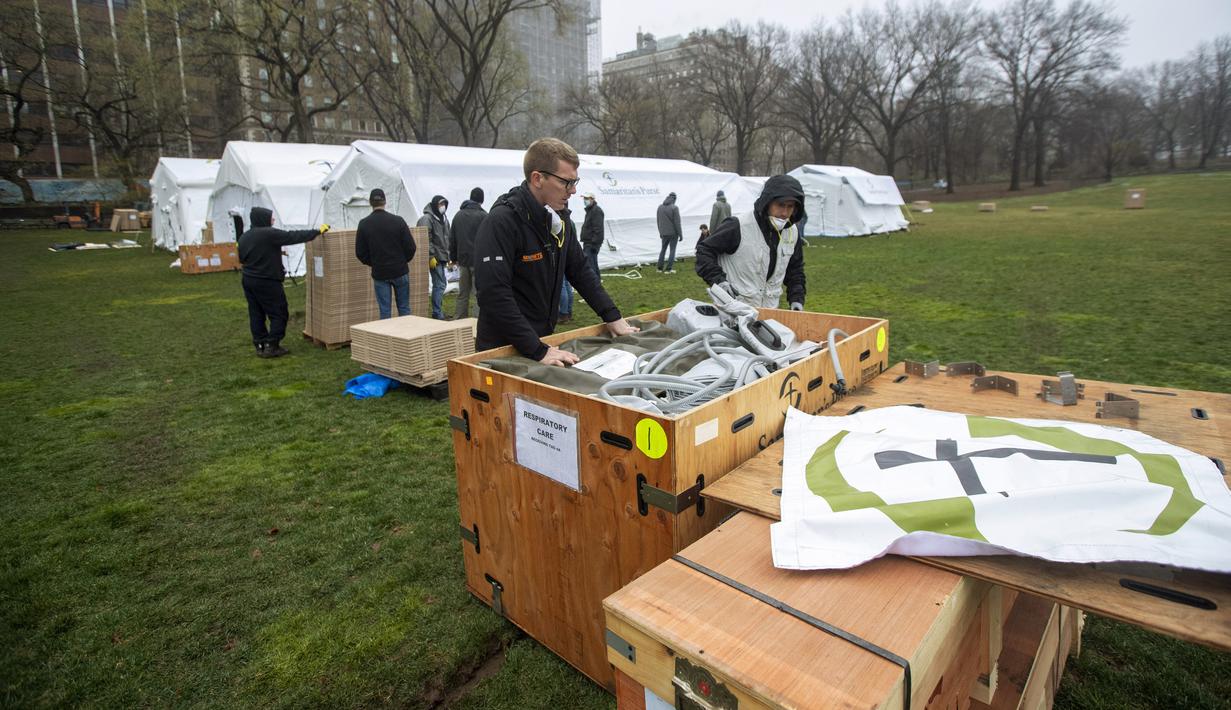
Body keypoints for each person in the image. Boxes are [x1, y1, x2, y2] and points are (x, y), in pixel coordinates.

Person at [474, 137, 638, 366]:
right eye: (566, 182)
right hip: (503, 350)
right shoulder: (502, 222)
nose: (573, 190)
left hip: (541, 343)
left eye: (575, 181)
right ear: (537, 178)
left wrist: (612, 315)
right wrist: (537, 349)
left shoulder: (557, 218)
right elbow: (494, 294)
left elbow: (580, 270)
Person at [695, 174, 807, 311]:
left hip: (769, 312)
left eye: (790, 207)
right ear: (768, 202)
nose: (784, 212)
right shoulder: (738, 226)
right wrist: (719, 281)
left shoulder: (792, 232)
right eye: (780, 205)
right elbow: (704, 250)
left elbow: (795, 270)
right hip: (734, 310)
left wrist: (797, 299)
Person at [237, 207, 329, 357]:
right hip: (267, 281)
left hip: (248, 280)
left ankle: (260, 343)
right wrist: (317, 232)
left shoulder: (244, 237)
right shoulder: (269, 234)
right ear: (263, 219)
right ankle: (272, 344)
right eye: (270, 218)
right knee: (279, 312)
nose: (273, 220)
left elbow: (243, 258)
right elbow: (293, 236)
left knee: (256, 313)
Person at [355, 188, 416, 319]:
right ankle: (406, 336)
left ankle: (388, 338)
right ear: (385, 202)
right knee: (404, 308)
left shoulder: (364, 224)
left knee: (385, 311)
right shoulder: (398, 221)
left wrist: (374, 263)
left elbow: (360, 252)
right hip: (400, 270)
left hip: (380, 272)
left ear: (370, 203)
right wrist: (402, 261)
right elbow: (411, 247)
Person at [450, 187, 486, 319]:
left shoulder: (458, 215)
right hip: (479, 261)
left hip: (463, 260)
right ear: (482, 199)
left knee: (463, 293)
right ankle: (477, 321)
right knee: (479, 294)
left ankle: (459, 320)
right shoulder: (484, 216)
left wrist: (453, 258)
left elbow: (452, 238)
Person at [417, 195, 451, 319]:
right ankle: (437, 312)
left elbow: (448, 237)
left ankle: (438, 310)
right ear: (434, 205)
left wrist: (449, 255)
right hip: (434, 257)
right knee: (440, 284)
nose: (443, 207)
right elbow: (425, 238)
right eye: (440, 204)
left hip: (442, 256)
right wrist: (431, 255)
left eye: (444, 204)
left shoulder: (443, 218)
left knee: (440, 284)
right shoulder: (427, 219)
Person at [656, 192, 682, 273]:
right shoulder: (674, 208)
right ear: (674, 199)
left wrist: (660, 232)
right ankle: (668, 269)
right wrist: (681, 234)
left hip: (663, 233)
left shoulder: (660, 207)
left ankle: (659, 268)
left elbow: (658, 221)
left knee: (663, 250)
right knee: (672, 250)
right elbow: (677, 223)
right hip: (673, 233)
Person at [579, 192, 605, 278]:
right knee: (593, 264)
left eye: (587, 198)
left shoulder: (596, 211)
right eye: (584, 199)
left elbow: (598, 229)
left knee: (590, 265)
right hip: (589, 242)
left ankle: (594, 285)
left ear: (592, 199)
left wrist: (594, 243)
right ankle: (596, 284)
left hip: (591, 243)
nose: (585, 200)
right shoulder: (590, 210)